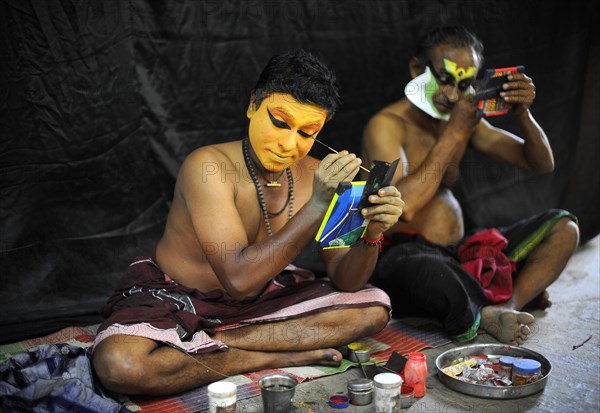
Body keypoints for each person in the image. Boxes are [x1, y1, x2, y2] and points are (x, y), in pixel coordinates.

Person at [92, 50, 404, 396]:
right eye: (280, 123)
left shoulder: (320, 173)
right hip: (179, 299)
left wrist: (372, 233)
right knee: (121, 367)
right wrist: (317, 203)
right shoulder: (207, 167)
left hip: (263, 301)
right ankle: (252, 357)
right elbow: (238, 280)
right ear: (253, 105)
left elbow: (347, 280)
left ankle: (217, 342)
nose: (289, 144)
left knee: (373, 308)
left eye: (307, 132)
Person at [360, 26, 579, 345]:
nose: (452, 95)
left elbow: (540, 162)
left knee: (564, 228)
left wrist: (523, 114)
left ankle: (506, 308)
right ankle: (485, 299)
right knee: (426, 272)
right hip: (406, 257)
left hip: (459, 253)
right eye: (445, 79)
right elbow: (403, 208)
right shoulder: (387, 126)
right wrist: (454, 134)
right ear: (416, 70)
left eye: (465, 85)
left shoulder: (462, 121)